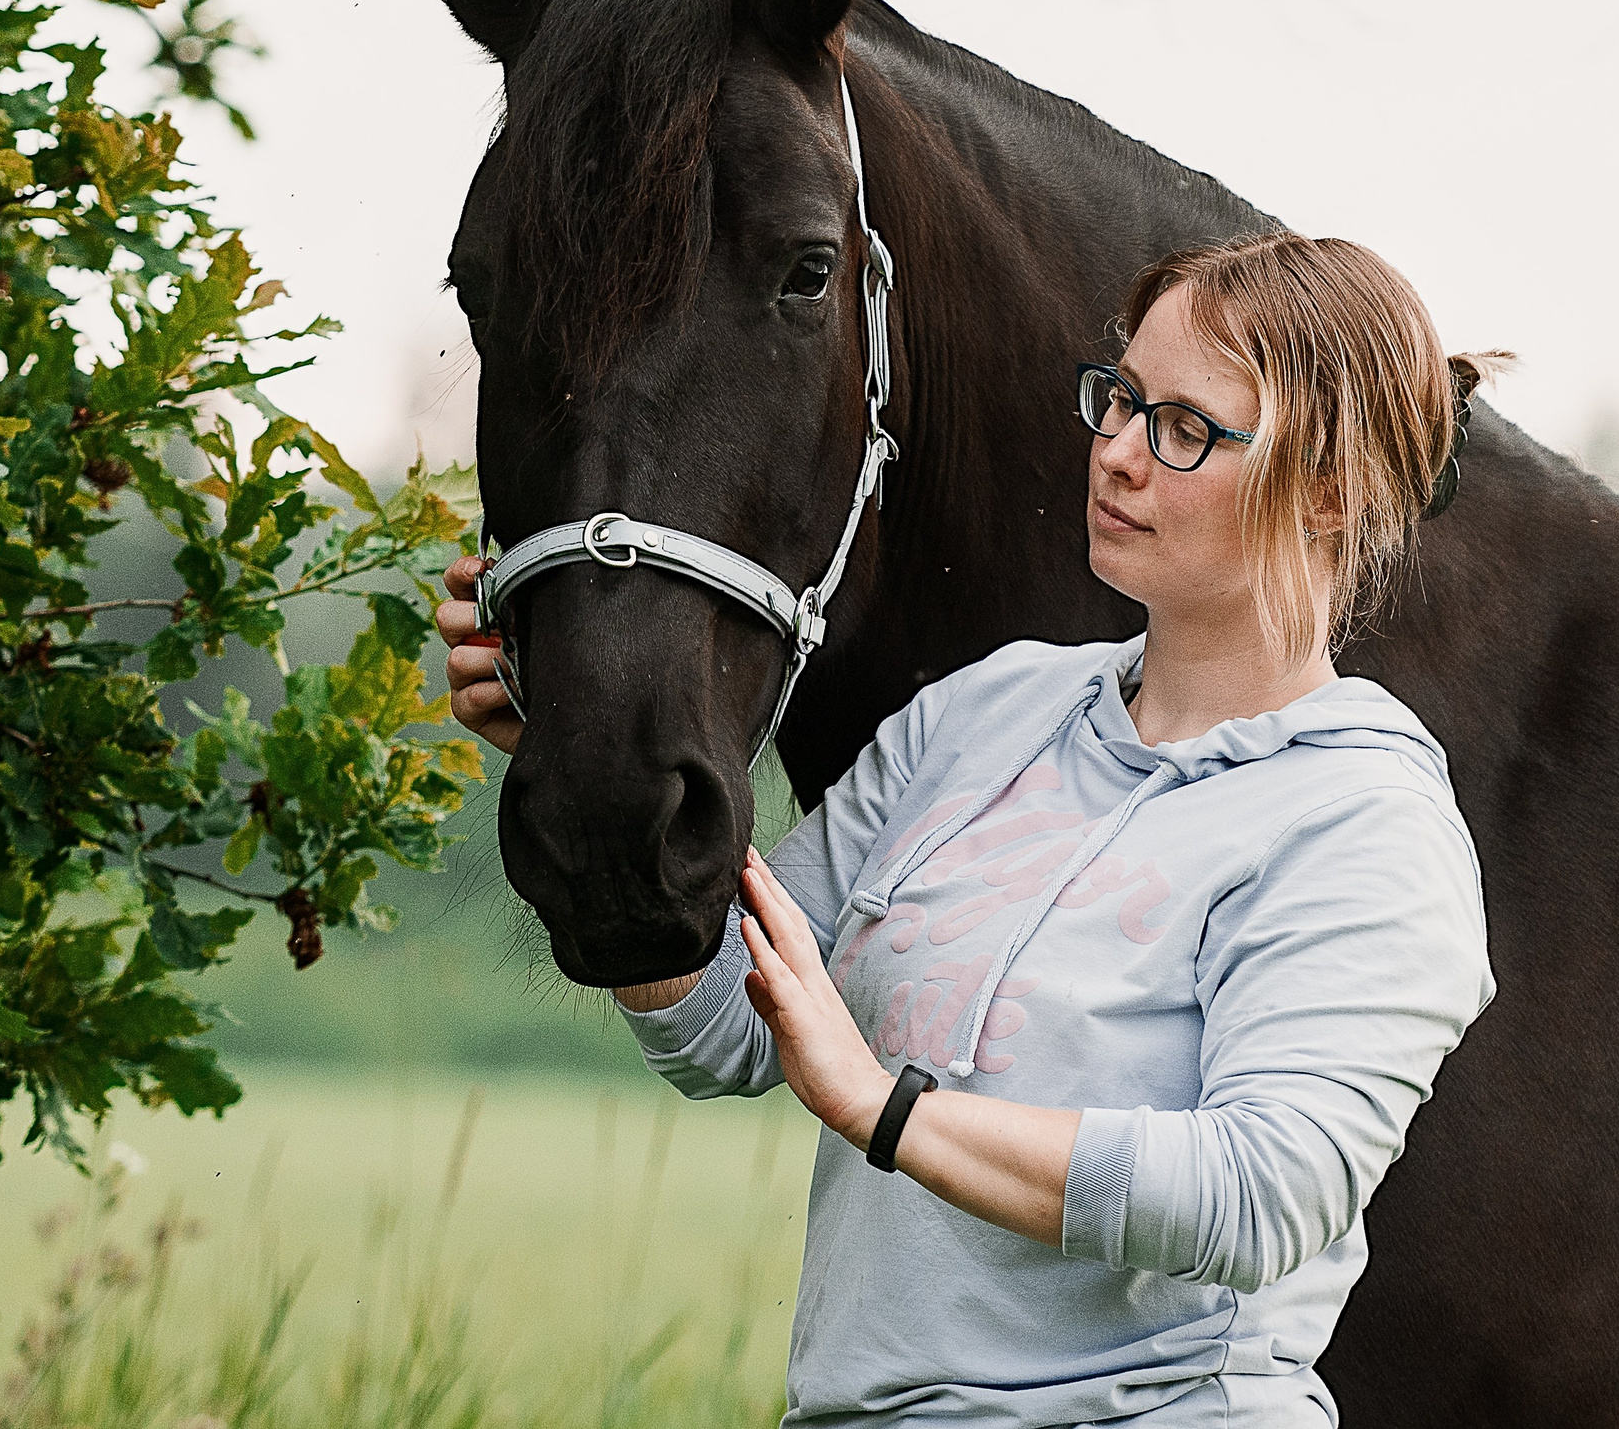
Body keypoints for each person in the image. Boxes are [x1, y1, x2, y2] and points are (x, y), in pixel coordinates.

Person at [437, 231, 1501, 1427]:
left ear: (1330, 490)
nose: (1116, 454)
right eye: (1119, 401)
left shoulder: (1363, 825)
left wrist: (889, 1110)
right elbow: (725, 1014)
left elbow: (1257, 1196)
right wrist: (591, 768)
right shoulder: (986, 716)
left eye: (1185, 428)